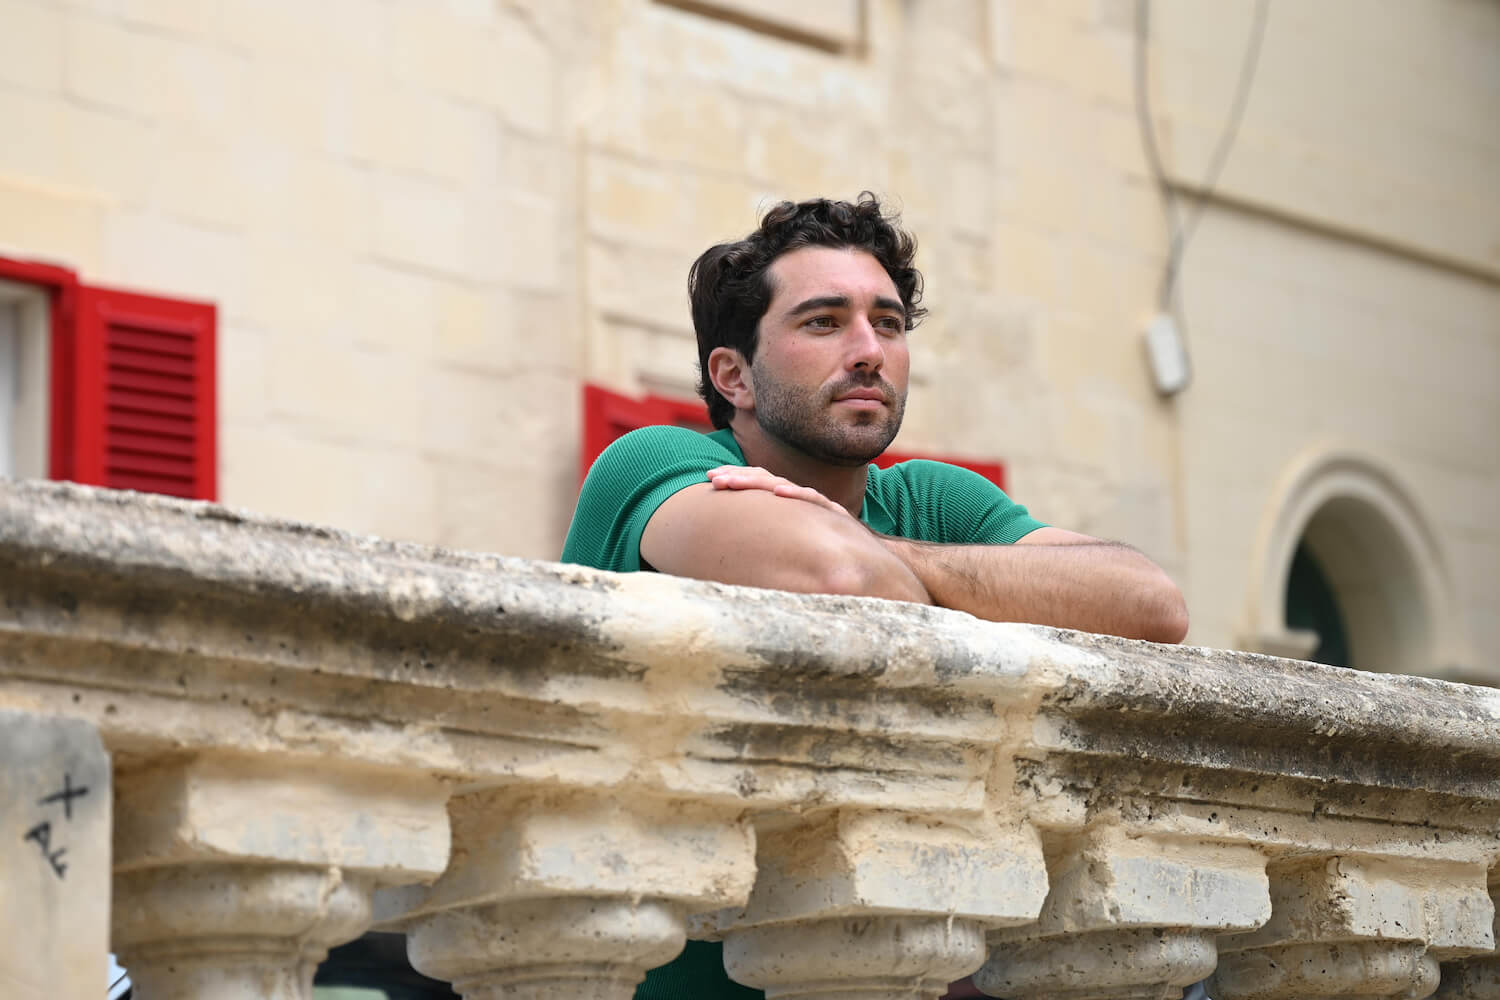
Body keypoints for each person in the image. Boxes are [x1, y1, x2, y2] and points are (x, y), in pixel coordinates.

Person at [560, 193, 1189, 1000]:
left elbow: (1148, 604)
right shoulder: (653, 462)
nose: (868, 352)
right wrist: (950, 578)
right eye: (824, 322)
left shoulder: (929, 500)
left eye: (887, 324)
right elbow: (840, 581)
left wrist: (882, 547)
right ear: (734, 375)